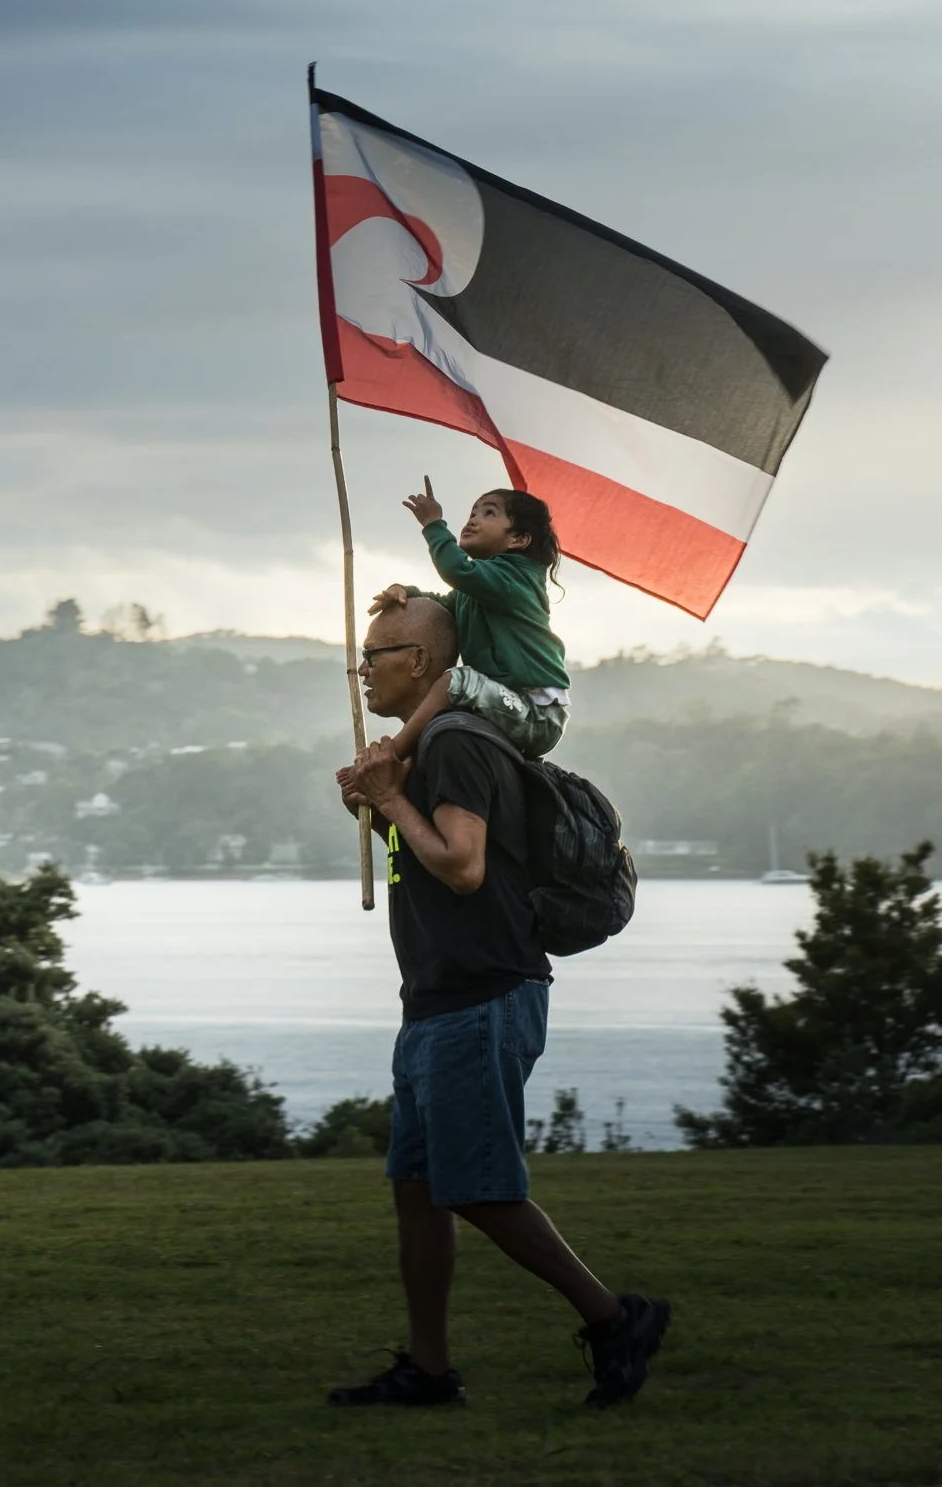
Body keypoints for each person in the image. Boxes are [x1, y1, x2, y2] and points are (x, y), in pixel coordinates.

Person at [329, 595, 667, 1410]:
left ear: (423, 662)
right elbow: (434, 861)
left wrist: (392, 795)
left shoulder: (456, 742)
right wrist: (378, 811)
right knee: (418, 1186)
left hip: (481, 993)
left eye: (376, 654)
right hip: (438, 996)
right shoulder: (438, 750)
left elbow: (463, 866)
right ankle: (430, 1370)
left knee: (476, 1185)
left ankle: (616, 1317)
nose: (362, 668)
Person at [371, 480, 570, 762]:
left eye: (489, 513)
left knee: (455, 681)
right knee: (451, 708)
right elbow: (444, 606)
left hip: (535, 712)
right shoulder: (479, 587)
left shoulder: (513, 579)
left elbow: (455, 568)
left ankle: (394, 754)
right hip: (502, 699)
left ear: (518, 539)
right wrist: (407, 593)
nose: (474, 520)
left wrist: (433, 525)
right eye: (473, 513)